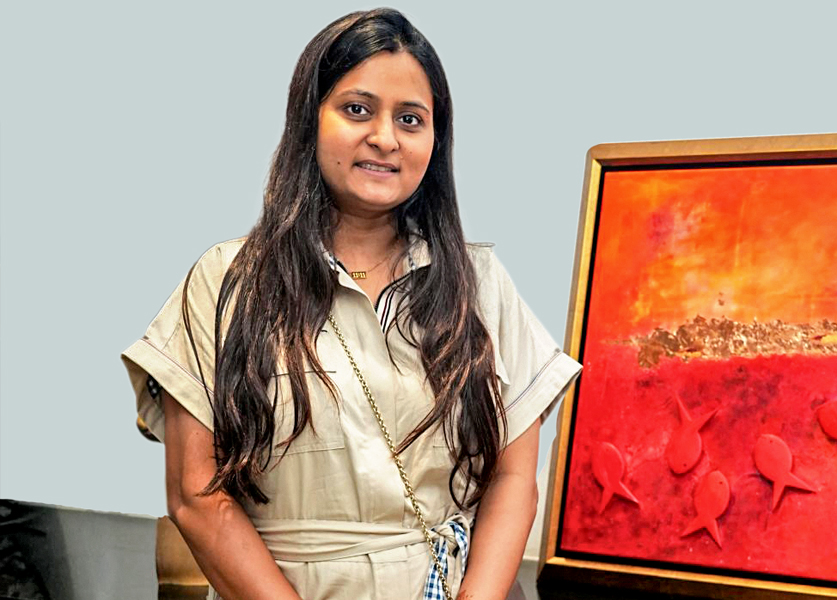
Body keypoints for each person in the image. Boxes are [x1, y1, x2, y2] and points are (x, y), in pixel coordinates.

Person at [120, 9, 581, 600]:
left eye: (410, 119)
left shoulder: (480, 283)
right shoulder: (226, 281)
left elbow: (514, 477)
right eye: (358, 109)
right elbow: (196, 495)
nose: (385, 138)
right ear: (308, 119)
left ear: (435, 141)